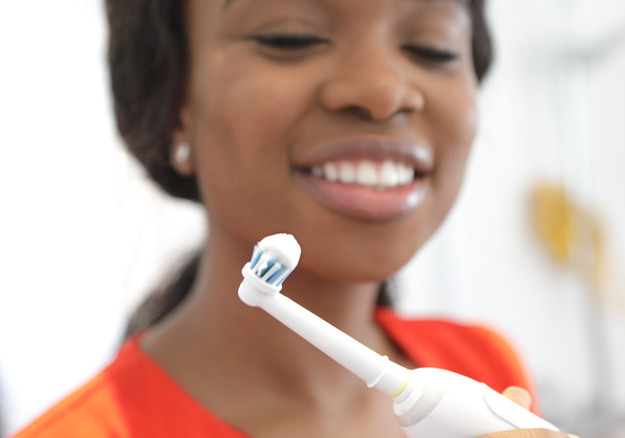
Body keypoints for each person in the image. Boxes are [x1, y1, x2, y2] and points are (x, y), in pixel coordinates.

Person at [12, 0, 574, 437]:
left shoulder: (482, 365)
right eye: (291, 37)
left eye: (433, 48)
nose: (382, 92)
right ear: (171, 99)